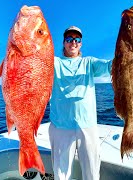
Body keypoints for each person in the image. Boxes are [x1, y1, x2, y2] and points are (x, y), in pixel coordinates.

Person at [49, 26, 113, 180]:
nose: (73, 42)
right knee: (60, 174)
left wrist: (129, 50)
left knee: (92, 173)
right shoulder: (54, 62)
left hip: (88, 126)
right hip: (60, 126)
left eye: (77, 40)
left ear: (81, 44)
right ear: (64, 42)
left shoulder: (89, 62)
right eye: (69, 39)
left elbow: (110, 67)